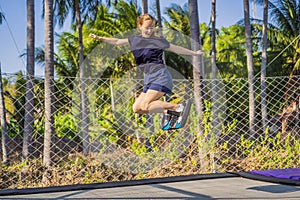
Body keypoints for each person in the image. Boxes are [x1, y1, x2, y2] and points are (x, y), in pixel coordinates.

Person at [90, 14, 203, 129]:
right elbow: (117, 41)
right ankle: (170, 112)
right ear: (140, 27)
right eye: (147, 28)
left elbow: (175, 49)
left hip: (160, 76)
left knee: (145, 104)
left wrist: (194, 53)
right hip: (148, 79)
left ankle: (177, 108)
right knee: (137, 108)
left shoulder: (158, 41)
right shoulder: (135, 40)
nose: (149, 30)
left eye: (152, 27)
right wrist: (100, 38)